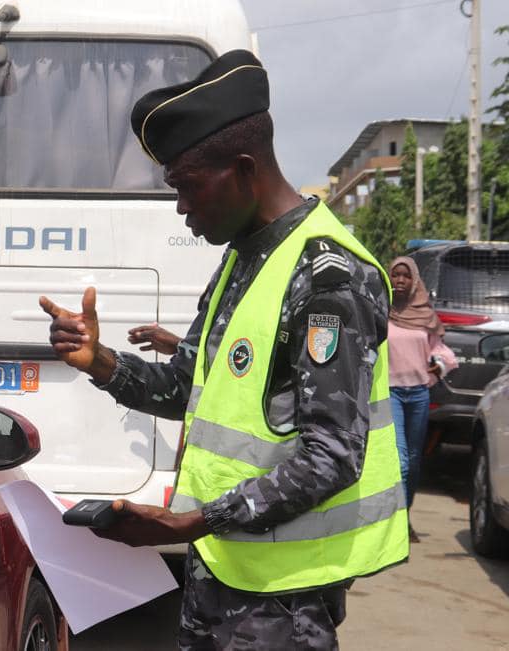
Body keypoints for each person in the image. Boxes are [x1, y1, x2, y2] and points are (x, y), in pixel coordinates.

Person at [38, 50, 408, 649]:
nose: (181, 209)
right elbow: (186, 387)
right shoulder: (241, 259)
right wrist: (100, 362)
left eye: (186, 187)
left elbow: (332, 454)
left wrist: (196, 519)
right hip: (220, 570)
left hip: (284, 598)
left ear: (242, 169)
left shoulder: (327, 278)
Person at [387, 256, 457, 541]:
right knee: (401, 461)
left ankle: (405, 515)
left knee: (414, 462)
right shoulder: (381, 311)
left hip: (417, 395)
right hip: (390, 393)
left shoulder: (425, 315)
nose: (400, 281)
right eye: (395, 275)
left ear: (414, 280)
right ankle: (396, 523)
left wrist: (436, 366)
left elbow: (443, 353)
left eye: (406, 276)